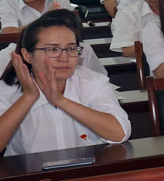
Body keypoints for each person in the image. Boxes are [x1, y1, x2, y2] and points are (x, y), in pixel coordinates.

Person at [0, 10, 129, 155]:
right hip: (27, 169)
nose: (64, 58)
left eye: (71, 48)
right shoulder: (7, 89)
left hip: (89, 167)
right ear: (27, 55)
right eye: (53, 49)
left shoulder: (92, 82)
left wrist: (60, 101)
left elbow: (120, 133)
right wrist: (28, 97)